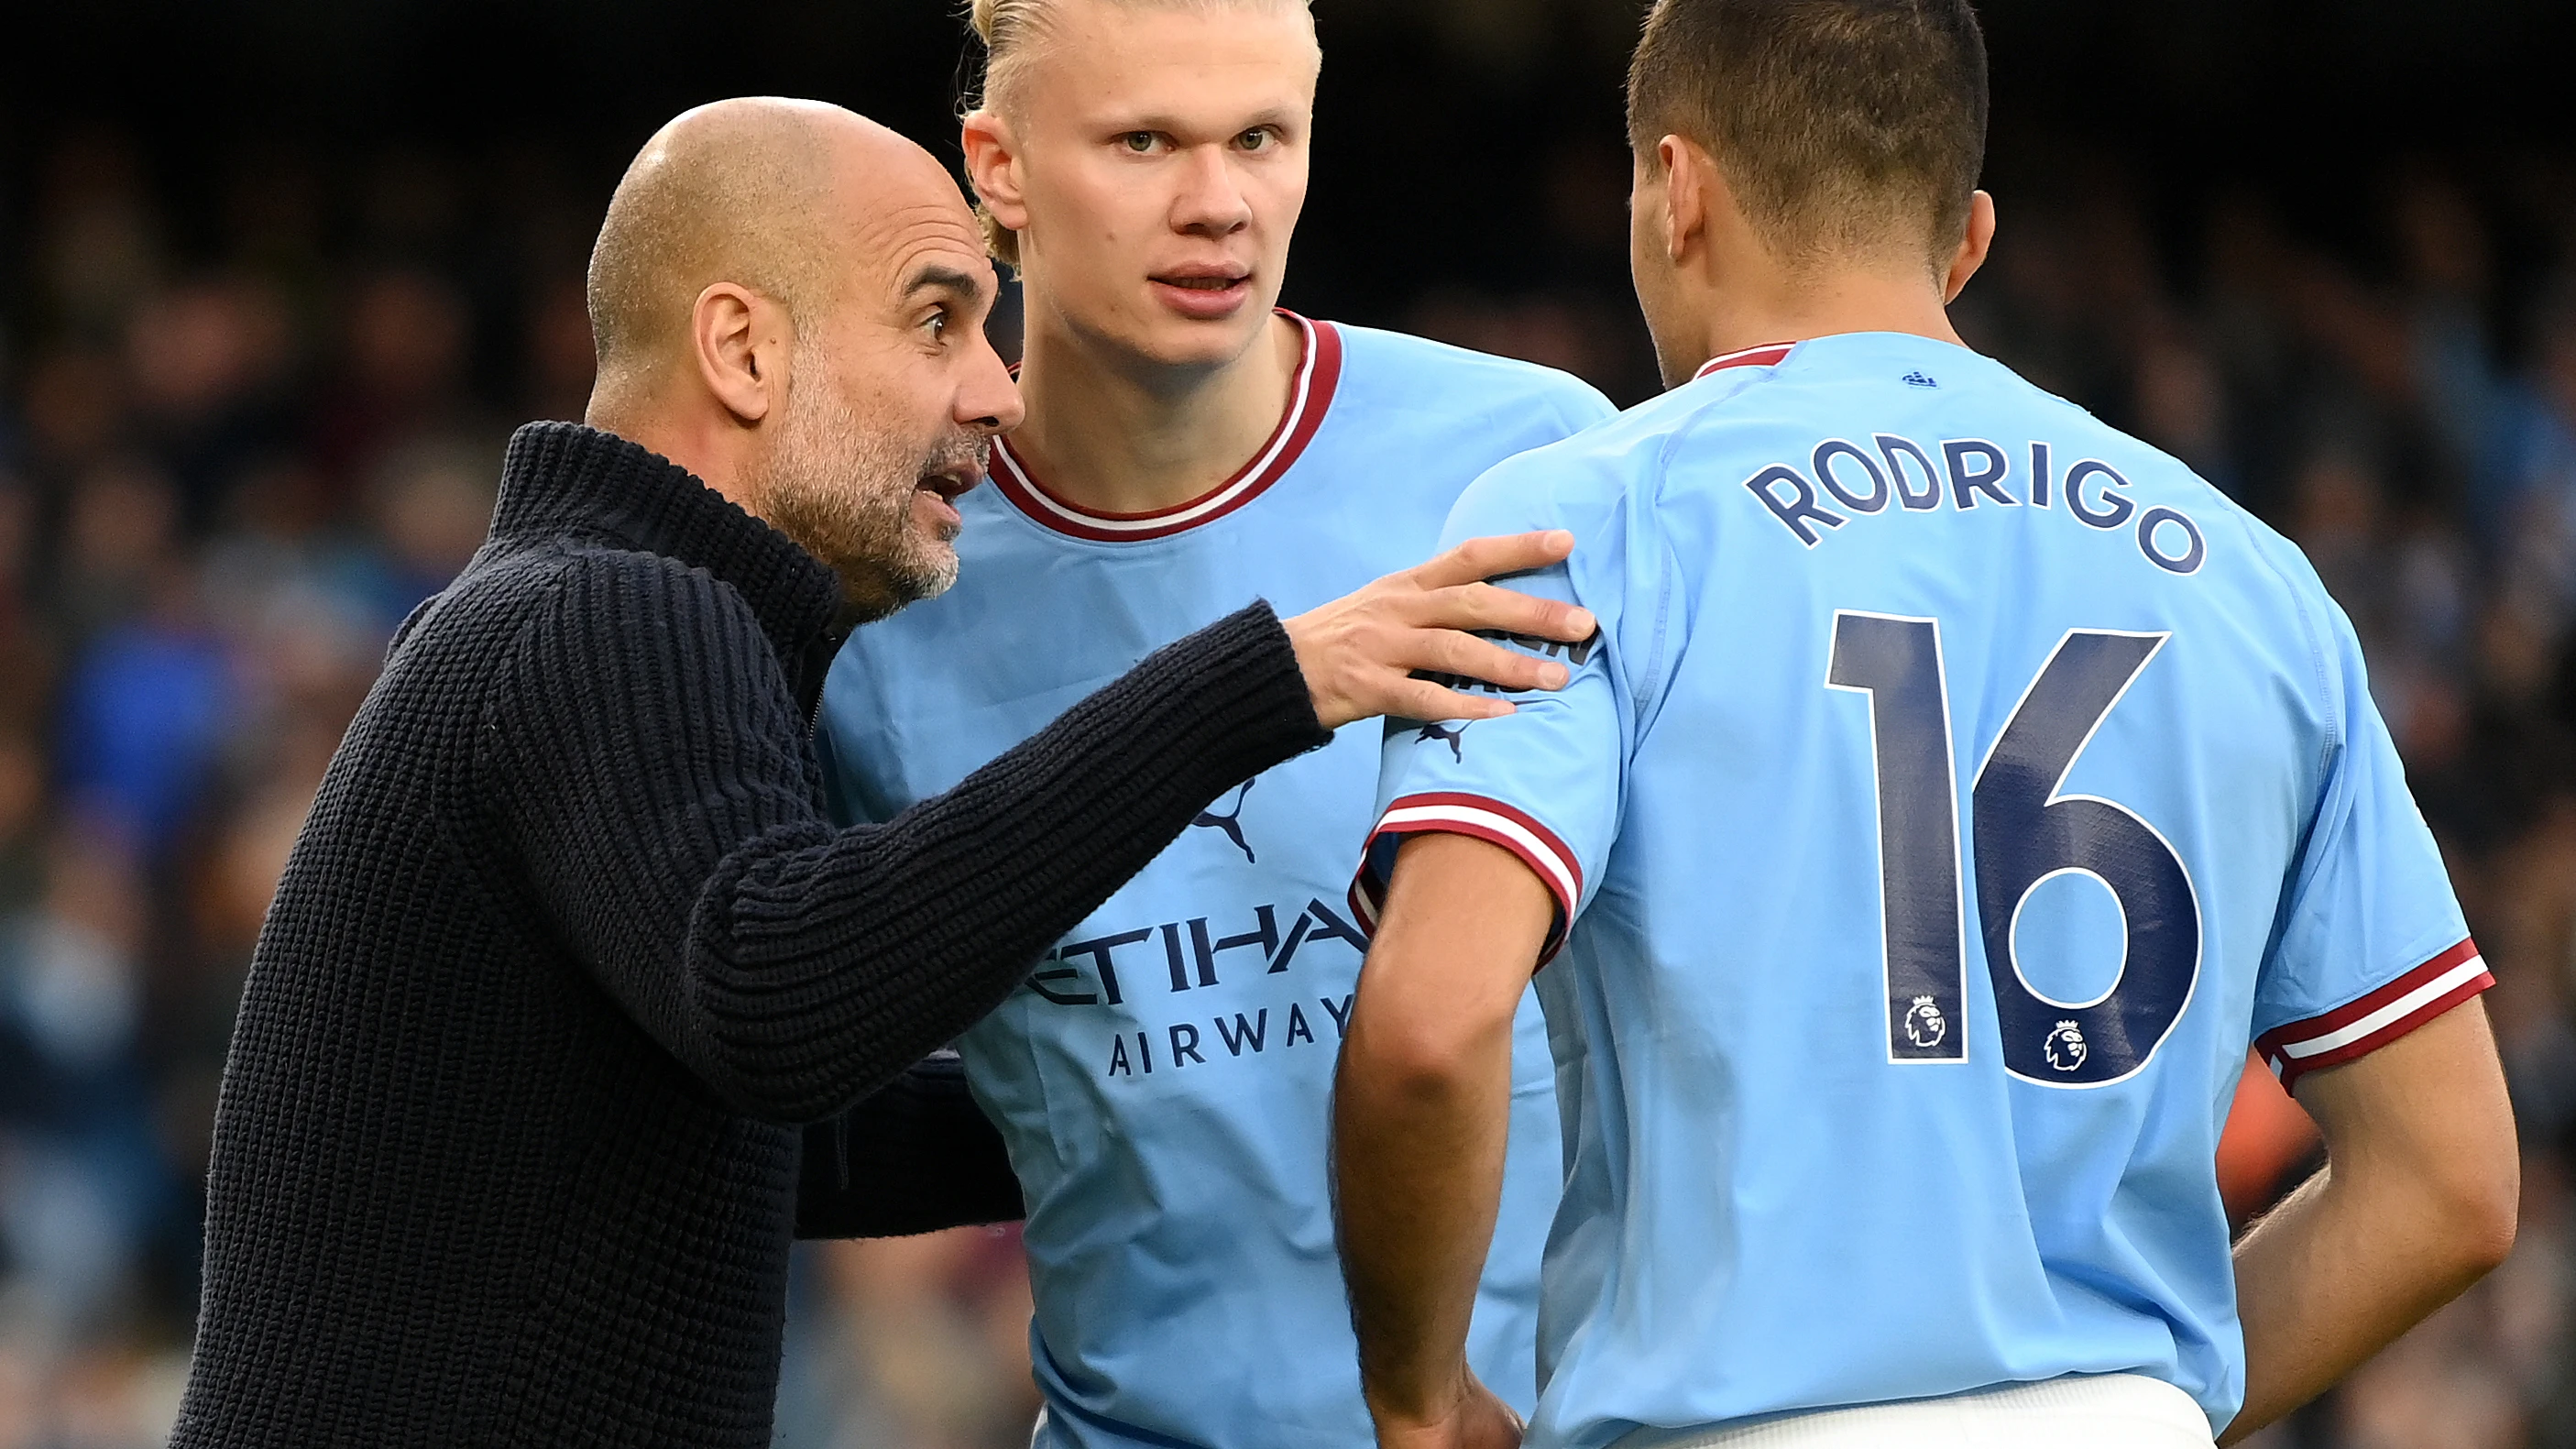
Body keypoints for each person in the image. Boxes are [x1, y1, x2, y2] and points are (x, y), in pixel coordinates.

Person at [170, 97, 1595, 1449]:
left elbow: (770, 1140)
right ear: (741, 351)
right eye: (936, 320)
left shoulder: (565, 611)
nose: (996, 388)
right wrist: (1264, 683)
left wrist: (1193, 1064)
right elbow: (779, 997)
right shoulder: (617, 610)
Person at [1329, 3, 2523, 1448]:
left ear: (1676, 190)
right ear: (1965, 239)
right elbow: (2450, 1183)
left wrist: (1417, 1402)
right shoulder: (2250, 572)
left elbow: (1426, 1027)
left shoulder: (1600, 512)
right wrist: (2149, 1414)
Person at [816, 1, 1613, 1444]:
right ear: (995, 168)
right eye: (1143, 144)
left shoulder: (1527, 457)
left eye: (1261, 139)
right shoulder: (882, 573)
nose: (1217, 205)